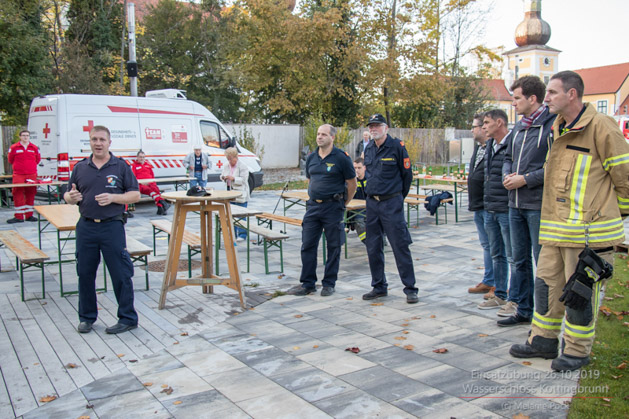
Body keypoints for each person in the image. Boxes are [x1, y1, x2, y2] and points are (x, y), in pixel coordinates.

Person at [510, 71, 629, 371]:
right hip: (555, 231)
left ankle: (577, 351)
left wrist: (619, 213)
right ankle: (543, 340)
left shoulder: (602, 127)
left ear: (572, 95)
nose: (545, 98)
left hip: (589, 235)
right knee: (546, 287)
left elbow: (625, 177)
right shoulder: (559, 127)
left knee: (579, 295)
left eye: (551, 92)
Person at [64, 125, 141, 335]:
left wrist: (114, 197)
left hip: (112, 227)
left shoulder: (121, 166)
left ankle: (127, 318)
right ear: (89, 141)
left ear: (109, 142)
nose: (98, 143)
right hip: (86, 226)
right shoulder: (80, 168)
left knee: (120, 273)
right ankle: (87, 318)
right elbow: (68, 195)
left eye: (102, 140)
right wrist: (70, 198)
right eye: (94, 139)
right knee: (85, 273)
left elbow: (135, 195)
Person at [498, 76, 556, 327]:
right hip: (515, 204)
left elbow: (555, 167)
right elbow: (508, 156)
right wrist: (507, 175)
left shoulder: (552, 125)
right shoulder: (520, 126)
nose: (513, 103)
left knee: (541, 261)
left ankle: (544, 315)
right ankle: (524, 309)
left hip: (537, 205)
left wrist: (526, 180)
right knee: (518, 260)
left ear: (532, 99)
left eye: (517, 98)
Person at [290, 124, 356, 296]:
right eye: (318, 134)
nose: (320, 137)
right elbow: (310, 179)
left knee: (333, 246)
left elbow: (352, 183)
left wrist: (343, 204)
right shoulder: (312, 157)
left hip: (333, 207)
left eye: (324, 134)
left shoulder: (341, 158)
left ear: (332, 137)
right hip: (313, 207)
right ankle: (308, 284)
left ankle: (329, 283)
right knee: (308, 245)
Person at [362, 113, 418, 304]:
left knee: (399, 245)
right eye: (371, 126)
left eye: (377, 125)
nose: (373, 129)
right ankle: (379, 287)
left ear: (386, 128)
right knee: (373, 247)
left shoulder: (396, 147)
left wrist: (397, 198)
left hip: (391, 203)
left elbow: (407, 176)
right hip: (372, 204)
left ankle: (410, 288)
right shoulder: (369, 148)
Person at [477, 109, 513, 311]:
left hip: (506, 209)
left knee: (513, 256)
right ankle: (499, 294)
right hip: (490, 207)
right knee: (496, 253)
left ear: (499, 123)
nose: (484, 126)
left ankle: (514, 296)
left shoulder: (513, 143)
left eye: (487, 122)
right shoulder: (489, 145)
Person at [466, 114, 495, 299]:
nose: (472, 130)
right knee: (486, 245)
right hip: (477, 204)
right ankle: (489, 279)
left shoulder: (494, 148)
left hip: (489, 205)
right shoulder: (479, 149)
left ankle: (498, 284)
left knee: (495, 246)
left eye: (475, 126)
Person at [7, 130, 40, 223]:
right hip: (18, 174)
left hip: (32, 174)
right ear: (20, 137)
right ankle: (19, 216)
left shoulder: (34, 147)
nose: (26, 137)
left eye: (27, 135)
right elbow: (10, 159)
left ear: (29, 137)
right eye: (24, 135)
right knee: (18, 193)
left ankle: (29, 215)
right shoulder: (14, 147)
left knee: (31, 193)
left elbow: (37, 159)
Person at [220, 147, 250, 241]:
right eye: (228, 159)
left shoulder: (243, 166)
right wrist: (223, 177)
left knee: (241, 214)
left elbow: (244, 180)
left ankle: (242, 234)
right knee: (231, 213)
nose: (229, 161)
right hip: (230, 191)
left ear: (235, 157)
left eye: (231, 159)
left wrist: (233, 178)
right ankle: (233, 233)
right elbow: (222, 175)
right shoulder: (226, 165)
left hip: (240, 192)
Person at [131, 151, 170, 215]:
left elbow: (152, 176)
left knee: (156, 190)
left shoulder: (148, 165)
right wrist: (142, 182)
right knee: (150, 190)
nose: (142, 158)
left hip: (150, 183)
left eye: (143, 157)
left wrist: (153, 184)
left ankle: (160, 208)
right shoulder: (134, 166)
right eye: (140, 157)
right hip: (141, 184)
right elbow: (133, 177)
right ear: (137, 157)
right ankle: (162, 204)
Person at [347, 157, 367, 244]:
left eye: (359, 168)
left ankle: (382, 238)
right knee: (359, 222)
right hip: (356, 210)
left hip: (371, 208)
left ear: (364, 168)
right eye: (354, 168)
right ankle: (367, 242)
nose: (357, 170)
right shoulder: (351, 181)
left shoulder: (370, 179)